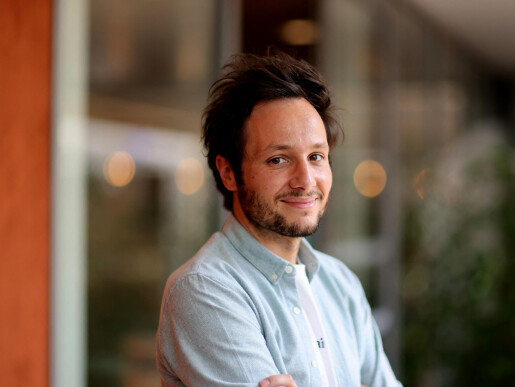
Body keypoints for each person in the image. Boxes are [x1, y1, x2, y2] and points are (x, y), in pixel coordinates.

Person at [156, 52, 402, 387]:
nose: (305, 180)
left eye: (316, 156)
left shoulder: (340, 283)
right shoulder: (205, 290)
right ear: (229, 172)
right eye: (278, 159)